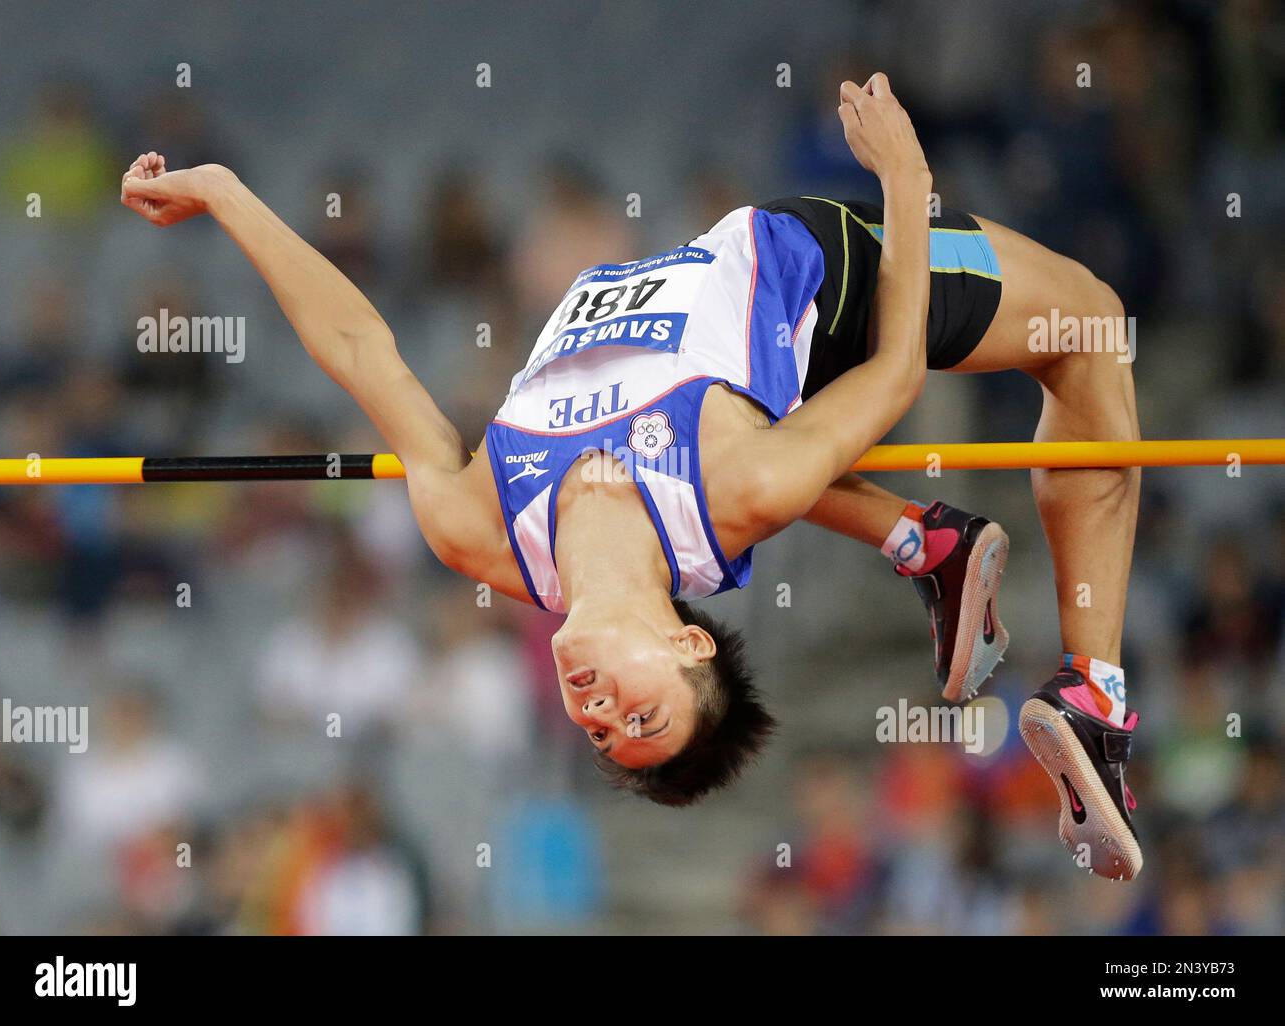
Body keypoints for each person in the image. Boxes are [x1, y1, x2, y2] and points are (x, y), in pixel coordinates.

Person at [119, 73, 1142, 879]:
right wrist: (905, 187)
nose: (599, 714)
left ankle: (925, 540)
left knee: (722, 483)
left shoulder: (477, 528)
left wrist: (226, 195)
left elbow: (360, 347)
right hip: (827, 285)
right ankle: (1092, 693)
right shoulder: (744, 486)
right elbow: (894, 369)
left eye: (603, 735)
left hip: (690, 330)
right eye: (642, 715)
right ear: (685, 639)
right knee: (1090, 323)